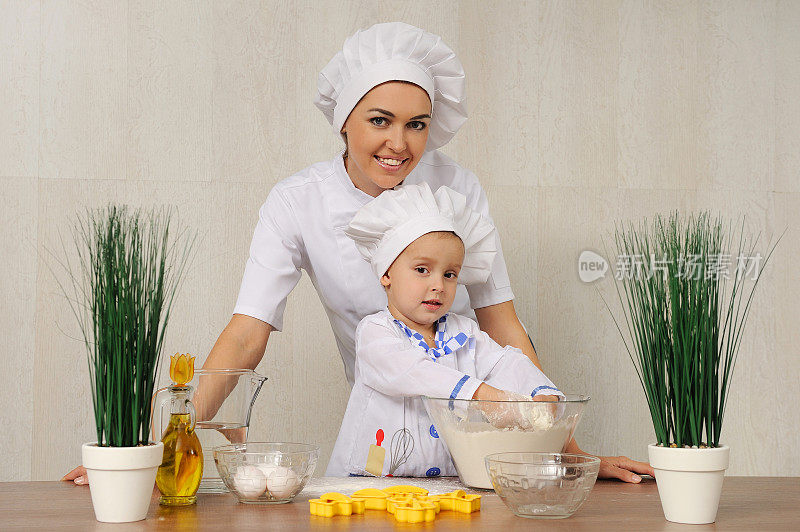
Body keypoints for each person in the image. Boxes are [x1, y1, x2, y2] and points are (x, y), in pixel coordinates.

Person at [64, 21, 652, 485]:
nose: (399, 144)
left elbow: (502, 329)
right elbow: (247, 335)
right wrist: (143, 452)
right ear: (344, 122)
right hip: (381, 422)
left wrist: (570, 453)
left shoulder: (457, 188)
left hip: (476, 433)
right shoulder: (299, 202)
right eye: (379, 121)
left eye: (417, 125)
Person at [328, 182, 563, 477]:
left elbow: (507, 361)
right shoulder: (375, 333)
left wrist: (542, 395)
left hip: (446, 486)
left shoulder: (464, 333)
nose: (438, 285)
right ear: (386, 272)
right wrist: (482, 396)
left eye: (449, 274)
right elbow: (414, 371)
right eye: (422, 270)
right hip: (369, 488)